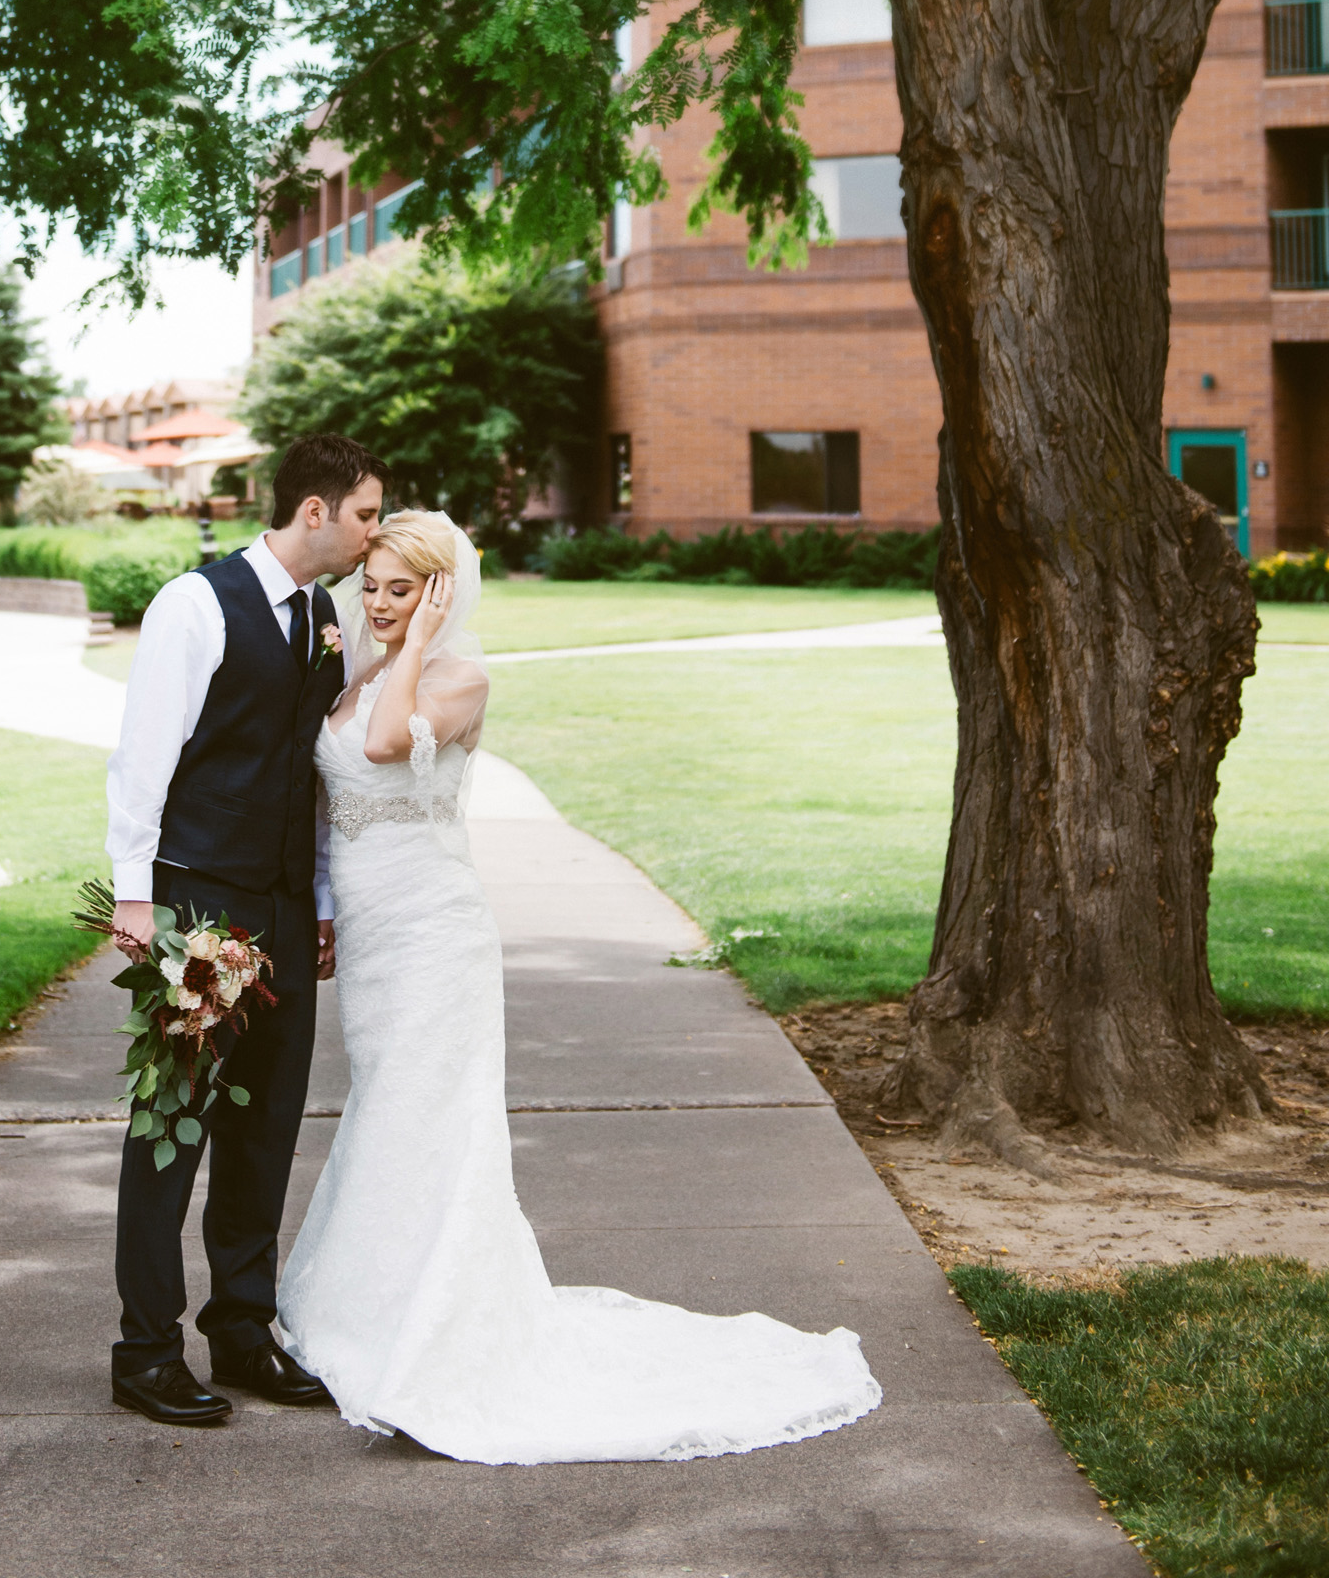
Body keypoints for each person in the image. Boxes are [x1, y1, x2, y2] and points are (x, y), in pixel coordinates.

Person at [276, 507, 883, 1464]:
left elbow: (390, 746)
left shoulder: (458, 678)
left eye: (404, 589)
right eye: (375, 587)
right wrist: (320, 905)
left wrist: (420, 642)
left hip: (437, 932)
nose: (382, 604)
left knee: (431, 1115)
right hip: (373, 932)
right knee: (384, 1105)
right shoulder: (351, 679)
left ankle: (438, 1327)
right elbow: (328, 797)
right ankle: (370, 1305)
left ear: (440, 592)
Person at [104, 430, 388, 1427]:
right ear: (314, 510)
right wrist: (134, 898)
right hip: (196, 901)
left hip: (276, 902)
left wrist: (314, 899)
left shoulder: (324, 618)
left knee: (264, 1127)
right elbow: (142, 758)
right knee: (172, 1122)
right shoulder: (196, 604)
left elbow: (311, 776)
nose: (373, 533)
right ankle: (144, 1348)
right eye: (364, 514)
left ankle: (239, 1327)